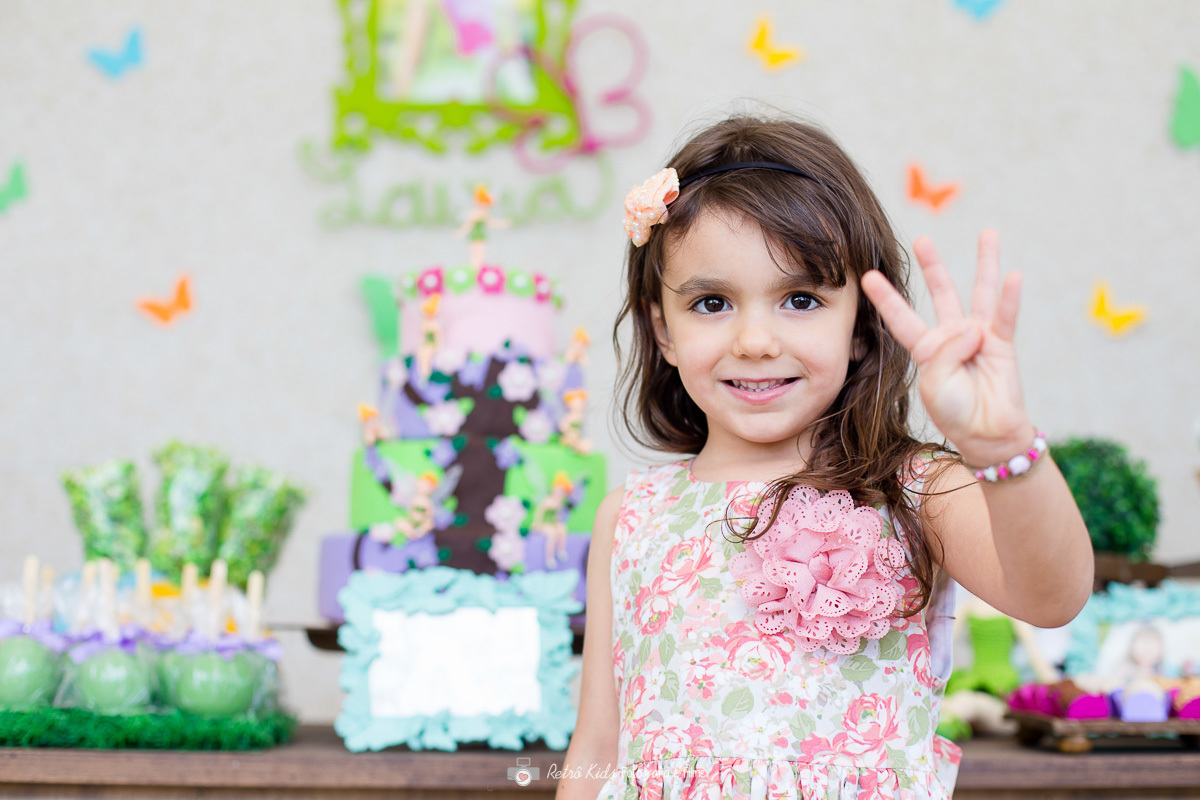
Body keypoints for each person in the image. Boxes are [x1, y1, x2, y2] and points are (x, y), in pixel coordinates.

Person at [555, 115, 1093, 800]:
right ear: (662, 328)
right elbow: (600, 747)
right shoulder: (629, 517)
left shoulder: (916, 489)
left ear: (862, 328)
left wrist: (1003, 448)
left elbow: (1053, 597)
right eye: (712, 302)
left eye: (801, 299)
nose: (754, 339)